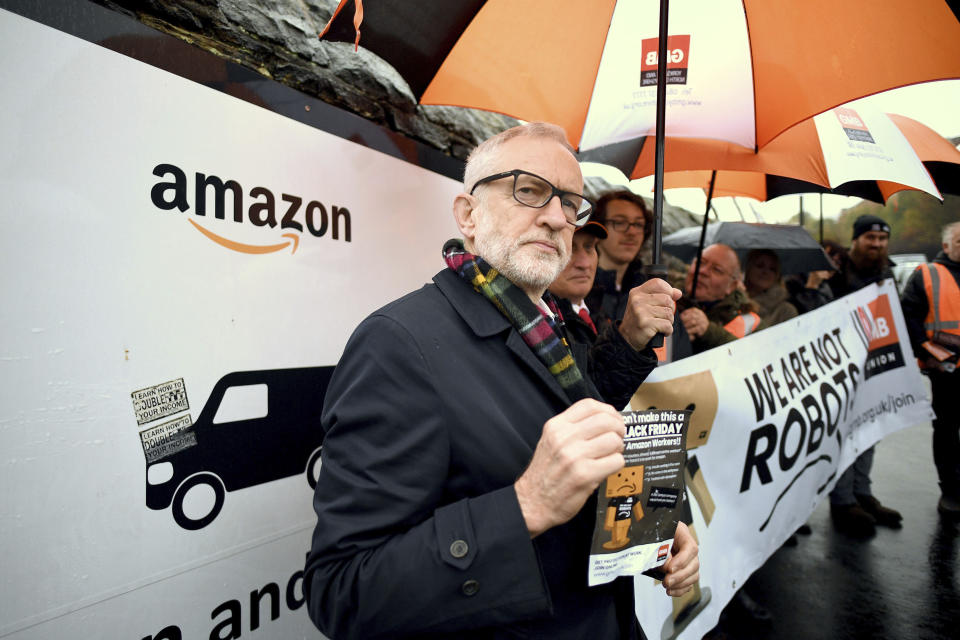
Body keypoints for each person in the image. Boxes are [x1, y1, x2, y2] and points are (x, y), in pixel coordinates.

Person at [304, 122, 700, 640]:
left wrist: (651, 534)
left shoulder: (554, 324)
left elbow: (581, 475)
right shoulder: (397, 344)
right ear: (469, 214)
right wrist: (525, 507)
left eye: (571, 203)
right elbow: (342, 594)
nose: (558, 217)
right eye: (529, 190)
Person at [826, 214, 903, 536]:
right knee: (843, 433)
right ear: (856, 240)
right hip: (841, 364)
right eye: (870, 238)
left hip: (875, 363)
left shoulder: (888, 273)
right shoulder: (836, 272)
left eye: (882, 239)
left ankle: (862, 493)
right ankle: (843, 502)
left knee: (870, 429)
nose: (877, 245)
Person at [585, 190, 693, 363]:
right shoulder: (576, 289)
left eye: (639, 224)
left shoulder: (657, 293)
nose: (632, 232)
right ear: (598, 227)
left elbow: (682, 361)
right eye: (620, 223)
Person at [900, 221, 960, 517]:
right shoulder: (927, 274)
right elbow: (908, 316)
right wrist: (925, 350)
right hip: (946, 368)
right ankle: (950, 490)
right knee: (948, 429)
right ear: (947, 246)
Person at [678, 243, 760, 353]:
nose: (703, 271)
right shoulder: (667, 297)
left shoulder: (750, 321)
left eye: (717, 270)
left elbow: (754, 357)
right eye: (700, 263)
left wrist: (709, 331)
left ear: (732, 286)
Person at [743, 249, 798, 327]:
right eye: (760, 266)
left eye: (772, 269)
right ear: (748, 268)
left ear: (777, 276)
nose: (765, 272)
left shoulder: (786, 310)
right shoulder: (731, 302)